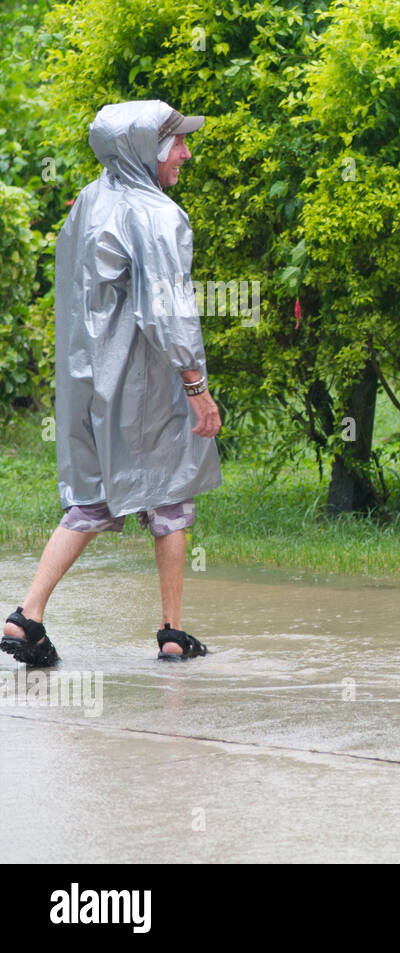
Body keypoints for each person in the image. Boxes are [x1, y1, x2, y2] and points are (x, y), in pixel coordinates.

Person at [1, 100, 223, 668]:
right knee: (171, 490)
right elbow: (168, 313)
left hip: (86, 383)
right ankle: (172, 631)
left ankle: (27, 616)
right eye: (177, 143)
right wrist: (196, 388)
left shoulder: (87, 207)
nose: (186, 153)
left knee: (90, 502)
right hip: (145, 383)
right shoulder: (157, 214)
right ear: (146, 149)